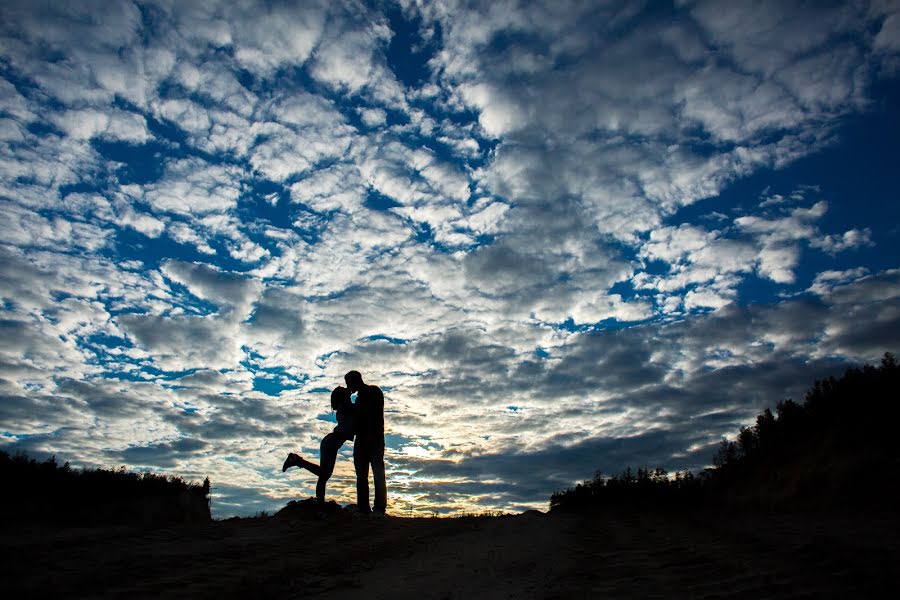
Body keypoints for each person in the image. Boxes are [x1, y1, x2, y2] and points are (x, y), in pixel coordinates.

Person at [282, 386, 355, 503]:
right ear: (343, 396)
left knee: (324, 475)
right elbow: (356, 409)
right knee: (324, 474)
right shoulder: (346, 407)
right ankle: (297, 461)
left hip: (331, 442)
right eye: (345, 391)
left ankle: (320, 502)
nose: (348, 390)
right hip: (331, 443)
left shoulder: (344, 407)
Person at [345, 370, 386, 515]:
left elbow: (367, 415)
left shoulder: (373, 392)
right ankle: (364, 508)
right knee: (361, 474)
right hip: (362, 439)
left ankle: (379, 508)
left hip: (374, 438)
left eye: (349, 384)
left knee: (377, 472)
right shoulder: (360, 398)